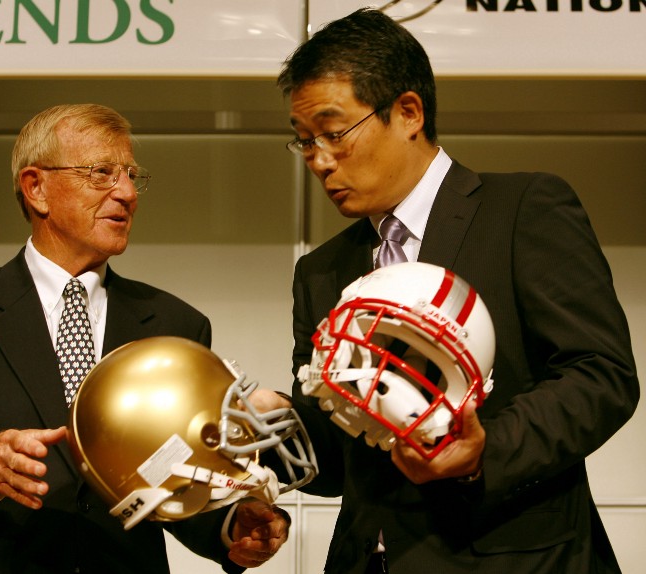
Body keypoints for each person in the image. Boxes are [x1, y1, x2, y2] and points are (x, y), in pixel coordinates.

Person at [259, 8, 639, 574]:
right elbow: (340, 461)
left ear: (408, 113)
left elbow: (601, 376)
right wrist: (272, 423)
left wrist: (484, 451)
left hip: (517, 560)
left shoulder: (524, 210)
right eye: (304, 141)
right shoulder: (321, 271)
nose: (319, 160)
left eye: (334, 133)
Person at [0, 103, 290, 573]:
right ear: (36, 188)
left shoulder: (175, 325)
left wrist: (230, 525)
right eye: (101, 173)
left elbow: (173, 483)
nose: (127, 193)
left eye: (131, 175)